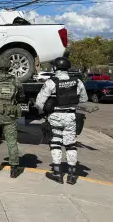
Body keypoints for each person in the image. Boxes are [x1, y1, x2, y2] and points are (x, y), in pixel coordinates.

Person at [35, 57, 88, 185]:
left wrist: (43, 111)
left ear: (55, 68)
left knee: (55, 142)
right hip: (70, 116)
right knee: (71, 144)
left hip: (55, 116)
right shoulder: (77, 81)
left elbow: (39, 102)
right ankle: (71, 175)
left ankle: (57, 174)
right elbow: (84, 98)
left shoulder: (51, 82)